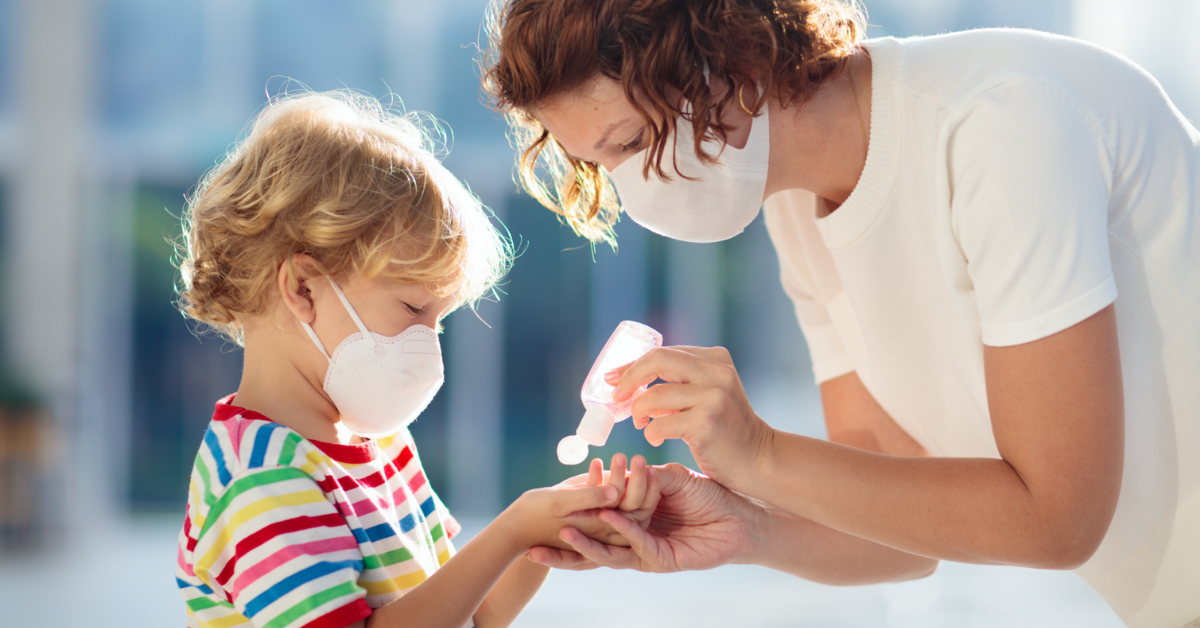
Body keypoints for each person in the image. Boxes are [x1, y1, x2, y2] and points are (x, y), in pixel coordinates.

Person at [481, 1, 1200, 626]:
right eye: (602, 167)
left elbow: (1057, 521)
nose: (632, 195)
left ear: (727, 57)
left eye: (633, 144)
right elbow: (904, 526)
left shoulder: (1001, 123)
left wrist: (760, 453)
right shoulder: (796, 205)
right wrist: (742, 523)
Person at [172, 91, 662, 628]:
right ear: (303, 288)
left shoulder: (379, 444)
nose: (428, 343)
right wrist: (515, 529)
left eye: (441, 319)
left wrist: (553, 526)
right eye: (413, 308)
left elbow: (471, 613)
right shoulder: (261, 480)